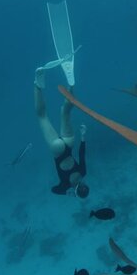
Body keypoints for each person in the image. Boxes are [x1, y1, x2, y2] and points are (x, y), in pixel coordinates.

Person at [34, 68, 89, 198]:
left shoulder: (83, 172)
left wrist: (83, 135)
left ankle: (71, 84)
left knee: (66, 112)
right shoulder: (65, 185)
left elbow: (82, 154)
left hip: (69, 143)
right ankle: (37, 85)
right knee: (42, 116)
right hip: (57, 150)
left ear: (84, 185)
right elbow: (54, 190)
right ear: (75, 191)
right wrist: (67, 192)